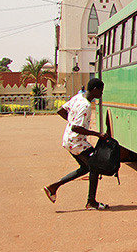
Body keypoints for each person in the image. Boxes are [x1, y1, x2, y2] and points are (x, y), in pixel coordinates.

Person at [42, 78, 110, 210]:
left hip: (69, 140)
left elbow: (61, 111)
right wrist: (97, 134)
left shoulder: (78, 97)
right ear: (95, 90)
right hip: (76, 142)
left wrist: (71, 119)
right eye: (100, 92)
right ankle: (92, 202)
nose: (101, 95)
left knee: (86, 168)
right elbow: (76, 128)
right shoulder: (85, 105)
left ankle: (54, 187)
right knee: (95, 166)